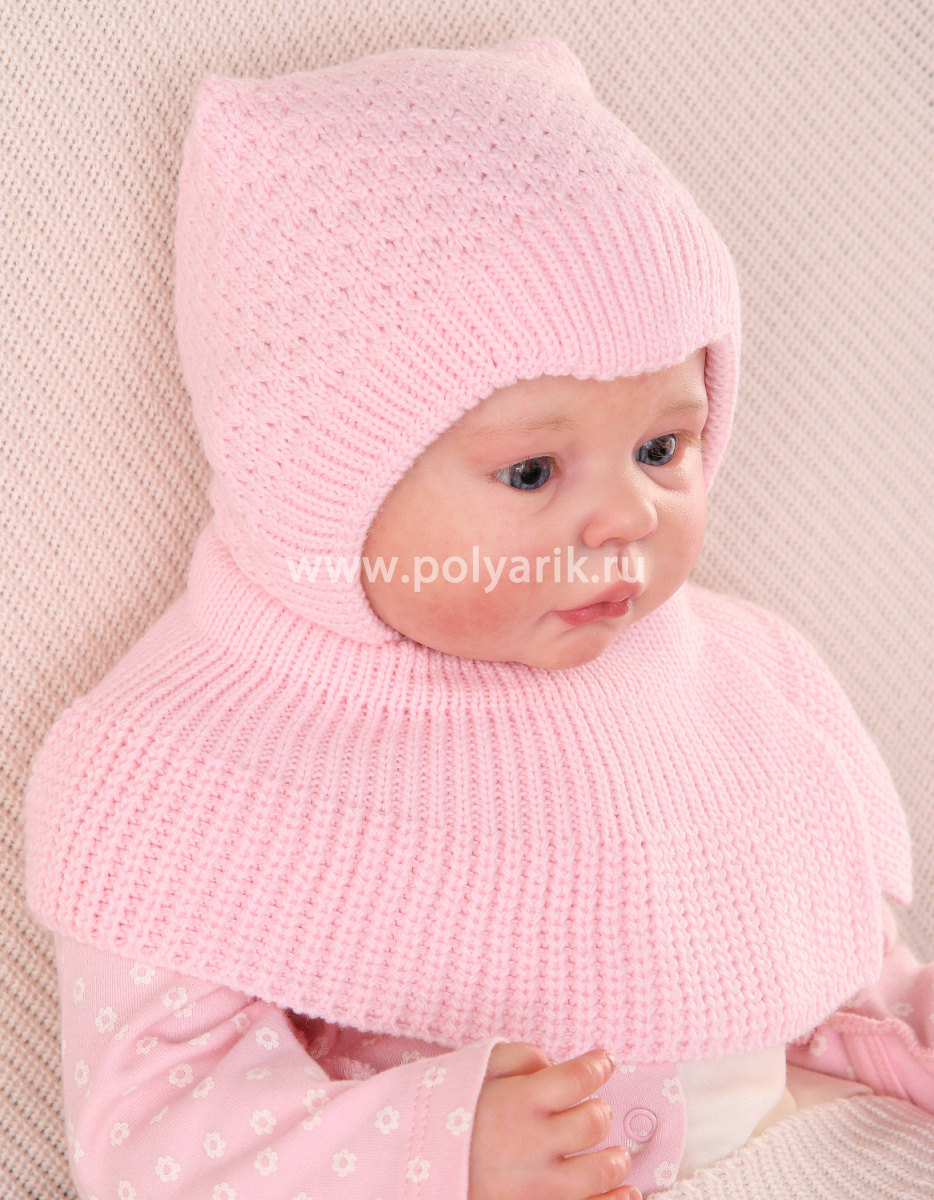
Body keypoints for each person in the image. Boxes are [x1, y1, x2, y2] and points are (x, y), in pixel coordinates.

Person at [23, 37, 934, 1200]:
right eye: (532, 472)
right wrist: (440, 1147)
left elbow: (804, 961)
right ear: (326, 483)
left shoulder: (733, 673)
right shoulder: (181, 767)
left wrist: (901, 1014)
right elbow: (150, 1140)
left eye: (663, 447)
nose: (628, 516)